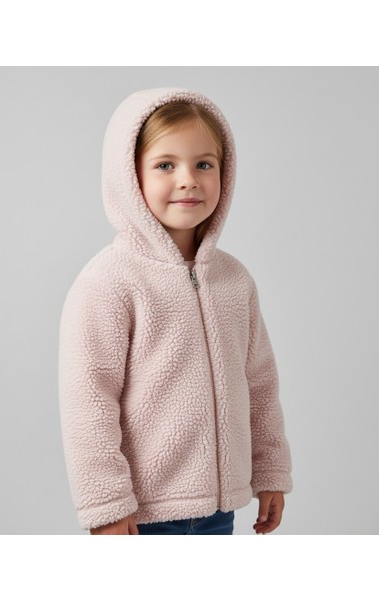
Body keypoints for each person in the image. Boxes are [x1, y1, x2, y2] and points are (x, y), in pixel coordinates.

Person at [58, 87, 293, 535]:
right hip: (142, 514)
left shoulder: (234, 280)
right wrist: (107, 503)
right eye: (166, 165)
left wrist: (270, 471)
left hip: (220, 512)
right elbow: (88, 400)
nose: (188, 179)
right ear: (130, 176)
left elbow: (260, 383)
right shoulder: (109, 282)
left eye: (204, 164)